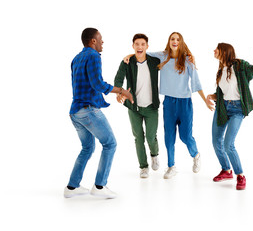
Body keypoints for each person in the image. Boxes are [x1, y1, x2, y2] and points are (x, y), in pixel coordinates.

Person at [126, 32, 212, 179]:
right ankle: (171, 166)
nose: (175, 41)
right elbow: (142, 53)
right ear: (169, 41)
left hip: (184, 103)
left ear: (181, 42)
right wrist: (129, 55)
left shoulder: (188, 61)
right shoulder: (162, 56)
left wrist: (205, 100)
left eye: (178, 39)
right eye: (172, 39)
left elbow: (196, 84)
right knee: (169, 137)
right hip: (169, 103)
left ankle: (196, 154)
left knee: (185, 136)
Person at [64, 28, 133, 199]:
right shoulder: (93, 56)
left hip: (75, 111)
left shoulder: (76, 58)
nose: (103, 42)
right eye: (100, 39)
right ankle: (100, 185)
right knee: (110, 144)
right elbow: (97, 84)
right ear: (93, 41)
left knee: (87, 148)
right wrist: (122, 90)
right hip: (88, 110)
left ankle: (71, 187)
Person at [206, 43, 253, 190]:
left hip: (237, 109)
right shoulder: (221, 70)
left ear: (224, 51)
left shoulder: (240, 66)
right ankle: (226, 170)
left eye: (216, 49)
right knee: (216, 141)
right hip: (223, 108)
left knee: (228, 144)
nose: (214, 50)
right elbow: (221, 93)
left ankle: (240, 175)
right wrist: (210, 96)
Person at [114, 33, 161, 178]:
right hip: (134, 107)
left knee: (151, 137)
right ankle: (143, 166)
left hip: (151, 107)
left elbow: (170, 58)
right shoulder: (127, 62)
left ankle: (154, 154)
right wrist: (119, 92)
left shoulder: (154, 61)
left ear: (147, 46)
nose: (140, 47)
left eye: (143, 44)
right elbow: (119, 78)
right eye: (137, 44)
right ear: (133, 46)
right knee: (138, 137)